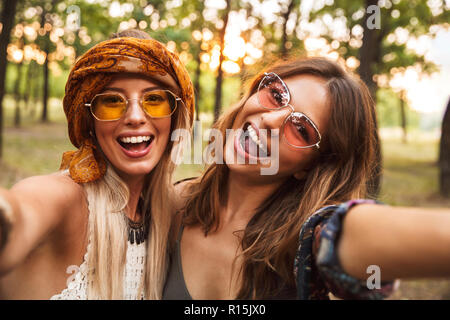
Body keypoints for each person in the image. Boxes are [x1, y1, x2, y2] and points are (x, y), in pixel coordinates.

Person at [163, 57, 450, 300]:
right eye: (276, 95)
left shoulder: (304, 244)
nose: (271, 120)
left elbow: (351, 236)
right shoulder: (172, 204)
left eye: (302, 129)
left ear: (311, 167)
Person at [0, 30, 194, 299]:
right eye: (112, 101)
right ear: (88, 121)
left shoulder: (169, 213)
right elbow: (20, 213)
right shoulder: (68, 200)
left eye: (154, 99)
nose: (135, 117)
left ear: (175, 118)